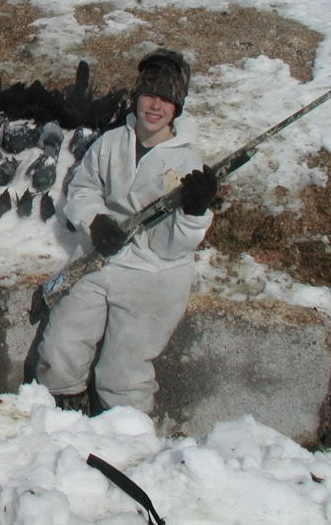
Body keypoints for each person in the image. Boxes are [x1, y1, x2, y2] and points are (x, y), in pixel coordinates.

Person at [36, 49, 218, 415]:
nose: (155, 106)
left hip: (153, 274)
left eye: (166, 100)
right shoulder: (111, 141)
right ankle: (59, 422)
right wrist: (96, 221)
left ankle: (124, 440)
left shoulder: (186, 162)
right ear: (136, 98)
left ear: (177, 108)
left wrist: (195, 212)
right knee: (58, 350)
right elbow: (83, 188)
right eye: (149, 95)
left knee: (124, 373)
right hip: (99, 259)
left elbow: (176, 247)